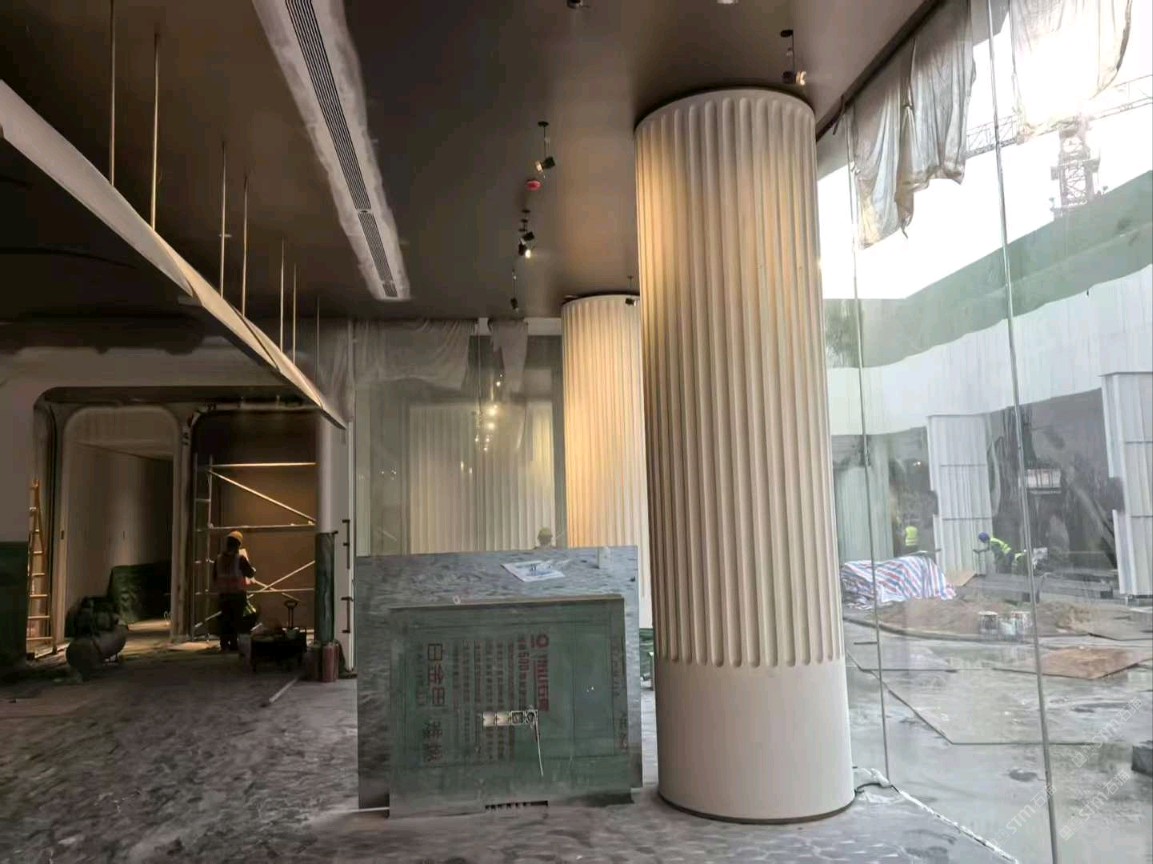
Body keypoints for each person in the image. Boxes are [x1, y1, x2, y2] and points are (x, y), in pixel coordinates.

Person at [214, 530, 255, 652]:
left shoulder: (218, 559)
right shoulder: (240, 559)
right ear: (238, 545)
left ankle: (224, 644)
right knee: (236, 620)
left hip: (223, 595)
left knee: (225, 620)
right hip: (237, 595)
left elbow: (215, 577)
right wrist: (252, 570)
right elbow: (250, 573)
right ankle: (233, 644)